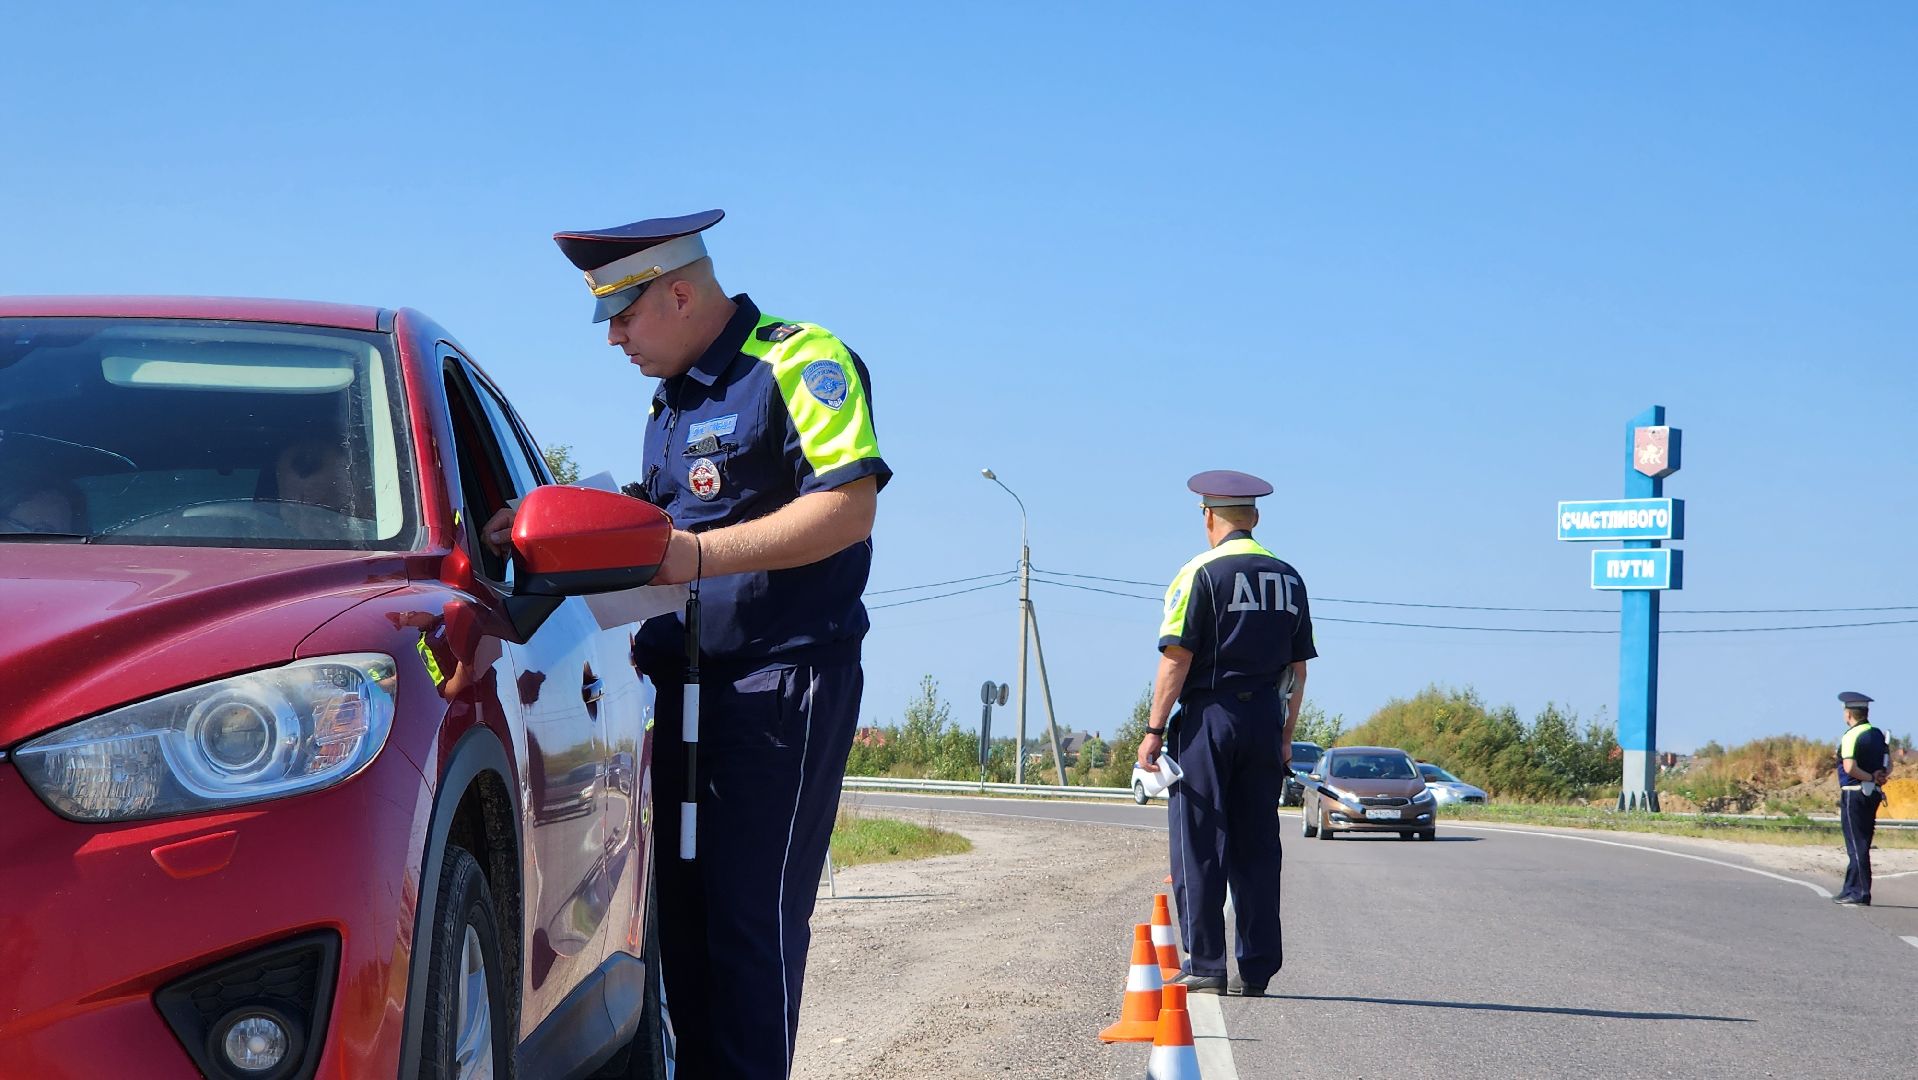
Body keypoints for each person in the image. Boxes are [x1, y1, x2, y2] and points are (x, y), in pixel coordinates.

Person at [484, 209, 888, 1079]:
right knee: (692, 928)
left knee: (751, 924)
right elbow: (659, 519)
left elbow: (850, 505)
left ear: (678, 292)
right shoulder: (673, 400)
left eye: (623, 317)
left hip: (779, 685)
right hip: (688, 694)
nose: (615, 339)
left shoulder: (799, 361)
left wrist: (697, 556)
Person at [1138, 470, 1315, 997]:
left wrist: (1152, 730)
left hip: (1208, 718)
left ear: (1208, 516)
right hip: (1264, 717)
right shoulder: (1289, 578)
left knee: (1199, 839)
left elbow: (1177, 658)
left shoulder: (1197, 574)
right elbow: (1298, 670)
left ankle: (1206, 962)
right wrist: (1285, 735)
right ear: (1254, 518)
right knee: (1258, 844)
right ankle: (1257, 968)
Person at [1834, 690, 1889, 907]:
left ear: (1849, 714)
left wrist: (1869, 777)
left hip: (1854, 793)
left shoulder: (1851, 735)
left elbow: (1849, 767)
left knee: (1856, 843)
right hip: (1873, 793)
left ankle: (1861, 891)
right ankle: (1849, 887)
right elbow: (1889, 764)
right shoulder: (1877, 734)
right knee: (1862, 841)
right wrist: (1878, 777)